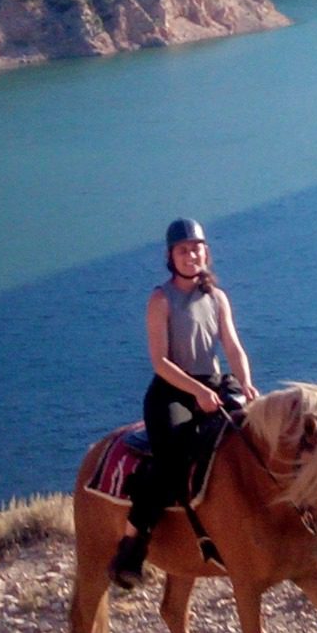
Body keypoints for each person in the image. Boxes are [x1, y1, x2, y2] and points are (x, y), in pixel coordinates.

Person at [112, 219, 257, 589]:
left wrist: (246, 383)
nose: (191, 255)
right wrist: (196, 392)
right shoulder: (160, 299)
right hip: (172, 393)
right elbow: (160, 362)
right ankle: (134, 542)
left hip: (212, 385)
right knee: (173, 457)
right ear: (170, 256)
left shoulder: (217, 297)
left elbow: (233, 346)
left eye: (196, 248)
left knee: (252, 439)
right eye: (183, 250)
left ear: (206, 252)